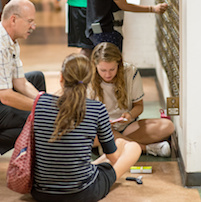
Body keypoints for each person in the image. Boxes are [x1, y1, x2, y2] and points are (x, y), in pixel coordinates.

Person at [31, 53, 141, 201]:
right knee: (133, 147)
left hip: (41, 192)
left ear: (61, 77)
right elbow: (113, 158)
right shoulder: (97, 109)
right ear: (89, 80)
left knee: (119, 143)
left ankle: (87, 167)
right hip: (82, 192)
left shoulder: (40, 102)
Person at [89, 42, 175, 157]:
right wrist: (100, 123)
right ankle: (146, 148)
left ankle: (112, 146)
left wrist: (129, 115)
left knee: (168, 126)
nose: (108, 74)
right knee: (90, 134)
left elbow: (139, 106)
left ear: (119, 64)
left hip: (127, 127)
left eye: (112, 69)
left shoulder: (130, 72)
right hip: (100, 130)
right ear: (95, 65)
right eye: (103, 70)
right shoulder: (88, 77)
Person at [0, 0, 46, 155]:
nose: (33, 26)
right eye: (30, 21)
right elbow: (5, 96)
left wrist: (46, 101)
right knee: (38, 119)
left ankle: (36, 144)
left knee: (36, 77)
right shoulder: (0, 45)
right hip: (1, 98)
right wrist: (42, 109)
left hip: (2, 96)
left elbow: (21, 83)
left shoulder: (12, 41)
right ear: (13, 19)